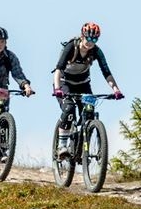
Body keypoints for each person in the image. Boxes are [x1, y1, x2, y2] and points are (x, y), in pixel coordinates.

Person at [52, 22, 123, 154]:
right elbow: (58, 69)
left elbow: (106, 72)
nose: (90, 42)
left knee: (89, 110)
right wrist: (57, 89)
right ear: (82, 36)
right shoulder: (71, 47)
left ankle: (83, 145)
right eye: (88, 38)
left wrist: (116, 90)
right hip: (64, 83)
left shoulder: (96, 51)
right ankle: (62, 145)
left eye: (94, 40)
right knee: (69, 109)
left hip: (83, 84)